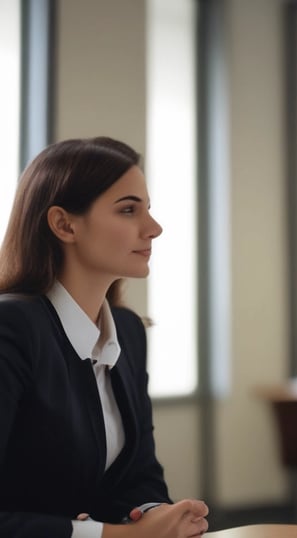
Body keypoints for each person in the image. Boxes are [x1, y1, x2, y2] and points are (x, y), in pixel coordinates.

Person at [0, 137, 209, 537]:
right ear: (64, 224)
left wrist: (159, 515)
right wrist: (116, 536)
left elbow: (138, 476)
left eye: (148, 209)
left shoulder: (128, 333)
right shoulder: (11, 328)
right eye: (129, 210)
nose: (154, 228)